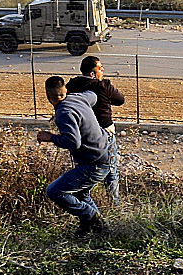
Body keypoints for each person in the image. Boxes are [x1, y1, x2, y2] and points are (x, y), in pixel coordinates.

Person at [38, 76, 111, 237]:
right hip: (104, 155)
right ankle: (101, 230)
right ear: (64, 91)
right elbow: (93, 96)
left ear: (48, 97)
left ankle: (90, 217)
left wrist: (49, 137)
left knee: (54, 191)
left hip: (93, 163)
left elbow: (73, 141)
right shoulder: (77, 97)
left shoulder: (64, 112)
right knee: (81, 193)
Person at [66, 56, 125, 206]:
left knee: (85, 166)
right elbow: (120, 100)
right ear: (92, 74)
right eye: (100, 68)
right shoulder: (102, 85)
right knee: (110, 169)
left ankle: (82, 196)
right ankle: (114, 204)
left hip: (82, 133)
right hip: (105, 133)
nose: (103, 70)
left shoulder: (72, 85)